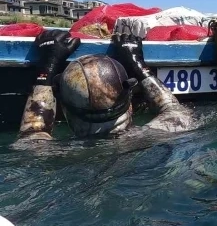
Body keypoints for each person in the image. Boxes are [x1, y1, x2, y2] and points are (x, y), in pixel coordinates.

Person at [15, 30, 194, 143]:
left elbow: (31, 135)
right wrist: (138, 64)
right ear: (129, 101)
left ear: (64, 108)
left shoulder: (56, 154)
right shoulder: (160, 134)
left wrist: (47, 69)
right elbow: (174, 110)